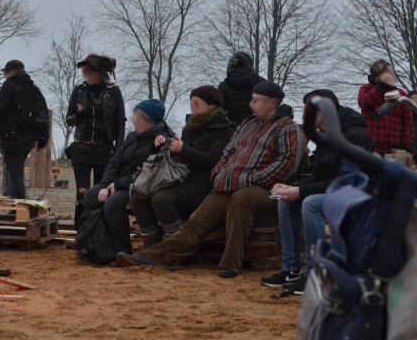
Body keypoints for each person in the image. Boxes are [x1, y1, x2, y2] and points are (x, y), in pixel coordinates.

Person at [117, 81, 305, 278]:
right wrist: (219, 173)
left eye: (256, 100)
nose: (251, 104)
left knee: (242, 199)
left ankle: (230, 264)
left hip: (264, 190)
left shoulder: (288, 128)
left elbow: (287, 163)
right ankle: (152, 257)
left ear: (270, 103)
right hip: (228, 184)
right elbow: (227, 152)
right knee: (196, 224)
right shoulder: (247, 124)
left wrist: (249, 179)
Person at [261, 89, 373, 295]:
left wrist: (301, 191)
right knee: (285, 200)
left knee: (310, 203)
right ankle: (291, 269)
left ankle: (317, 273)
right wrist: (290, 187)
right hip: (334, 190)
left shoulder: (355, 136)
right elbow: (319, 175)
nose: (305, 118)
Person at [130, 86, 234, 245]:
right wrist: (163, 145)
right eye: (191, 102)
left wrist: (183, 150)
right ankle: (152, 245)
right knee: (139, 196)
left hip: (205, 183)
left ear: (212, 105)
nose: (192, 106)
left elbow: (212, 161)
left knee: (161, 199)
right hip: (182, 177)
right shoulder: (190, 127)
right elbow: (179, 158)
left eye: (196, 103)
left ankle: (177, 245)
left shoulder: (224, 129)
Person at [82, 99, 173, 255]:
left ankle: (123, 250)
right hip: (120, 183)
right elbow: (115, 162)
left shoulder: (161, 140)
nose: (134, 121)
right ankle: (94, 243)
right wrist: (105, 185)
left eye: (138, 118)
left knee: (113, 203)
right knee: (91, 195)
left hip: (142, 186)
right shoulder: (132, 137)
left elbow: (148, 172)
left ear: (150, 121)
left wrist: (117, 184)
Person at [65, 54, 126, 227]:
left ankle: (99, 230)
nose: (84, 75)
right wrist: (79, 114)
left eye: (87, 72)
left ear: (97, 73)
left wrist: (119, 149)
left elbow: (121, 121)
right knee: (82, 192)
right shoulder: (79, 90)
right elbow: (69, 120)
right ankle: (81, 230)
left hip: (104, 150)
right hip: (82, 149)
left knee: (101, 191)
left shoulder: (113, 91)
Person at [0, 60, 50, 199]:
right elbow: (44, 114)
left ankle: (17, 206)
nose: (5, 75)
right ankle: (11, 199)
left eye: (6, 72)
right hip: (29, 139)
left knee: (14, 173)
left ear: (12, 72)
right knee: (15, 170)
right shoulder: (33, 89)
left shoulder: (9, 86)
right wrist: (44, 136)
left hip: (12, 137)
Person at [358, 59, 413, 154]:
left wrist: (406, 144)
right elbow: (364, 103)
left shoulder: (401, 93)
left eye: (389, 73)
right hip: (372, 145)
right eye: (384, 73)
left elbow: (408, 122)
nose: (388, 76)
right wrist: (380, 87)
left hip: (395, 148)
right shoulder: (367, 89)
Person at [218, 52, 265, 125]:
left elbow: (218, 112)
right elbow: (272, 106)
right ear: (249, 65)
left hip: (232, 132)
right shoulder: (262, 83)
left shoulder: (223, 86)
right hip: (259, 130)